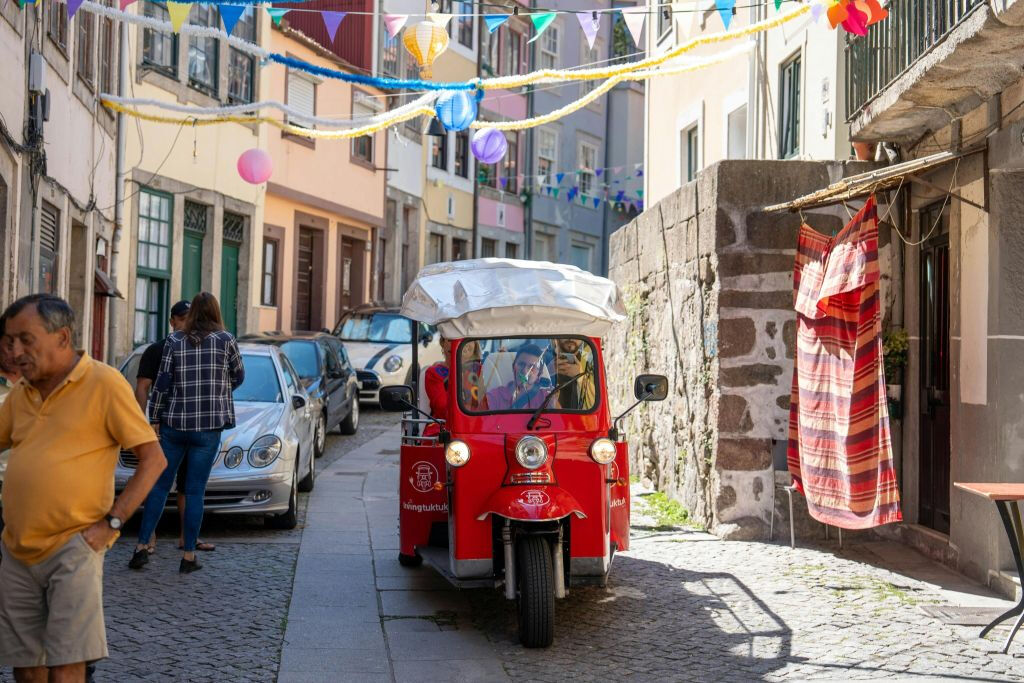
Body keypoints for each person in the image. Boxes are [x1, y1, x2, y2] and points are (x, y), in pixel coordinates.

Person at [0, 294, 166, 681]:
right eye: (9, 341)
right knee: (26, 666)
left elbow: (153, 459)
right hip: (17, 549)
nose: (15, 350)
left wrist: (111, 524)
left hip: (74, 546)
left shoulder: (103, 382)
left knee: (67, 663)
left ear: (61, 338)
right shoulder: (23, 392)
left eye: (26, 339)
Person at [130, 292, 244, 574]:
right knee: (194, 491)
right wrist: (218, 386)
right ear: (216, 312)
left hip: (174, 425)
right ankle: (189, 556)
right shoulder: (226, 341)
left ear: (192, 314)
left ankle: (142, 547)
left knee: (158, 485)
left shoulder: (174, 341)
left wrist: (154, 417)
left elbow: (162, 383)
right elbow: (238, 375)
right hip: (207, 427)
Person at [134, 300, 215, 554]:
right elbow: (144, 388)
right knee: (158, 481)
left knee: (187, 485)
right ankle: (150, 538)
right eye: (181, 319)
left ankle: (186, 537)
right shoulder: (157, 350)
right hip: (164, 425)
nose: (186, 323)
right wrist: (146, 423)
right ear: (172, 321)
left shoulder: (201, 347)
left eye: (189, 318)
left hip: (186, 425)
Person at [485, 344, 550, 410]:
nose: (525, 371)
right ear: (513, 367)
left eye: (532, 367)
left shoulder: (546, 398)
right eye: (521, 364)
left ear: (539, 375)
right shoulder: (494, 397)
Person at [544, 338, 596, 410]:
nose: (571, 338)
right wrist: (547, 371)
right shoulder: (543, 358)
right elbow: (525, 390)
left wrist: (580, 376)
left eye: (577, 332)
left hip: (579, 419)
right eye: (568, 331)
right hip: (547, 418)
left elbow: (598, 401)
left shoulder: (591, 361)